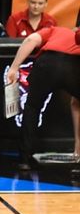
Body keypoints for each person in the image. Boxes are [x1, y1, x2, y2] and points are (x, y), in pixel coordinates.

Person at [7, 26, 80, 170]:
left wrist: (14, 67)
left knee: (32, 108)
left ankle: (24, 160)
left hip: (48, 63)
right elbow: (75, 104)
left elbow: (30, 40)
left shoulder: (54, 30)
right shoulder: (75, 38)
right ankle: (78, 148)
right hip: (74, 65)